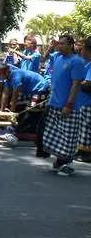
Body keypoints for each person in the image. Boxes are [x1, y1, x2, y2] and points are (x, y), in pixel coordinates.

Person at [42, 34, 85, 176]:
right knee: (55, 135)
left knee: (68, 136)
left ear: (71, 45)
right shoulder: (57, 58)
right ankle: (60, 160)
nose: (59, 45)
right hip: (54, 102)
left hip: (69, 106)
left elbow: (75, 85)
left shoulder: (76, 61)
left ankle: (70, 164)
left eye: (63, 43)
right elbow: (45, 59)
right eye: (58, 43)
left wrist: (68, 104)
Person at [76, 37, 91, 162]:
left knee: (86, 128)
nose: (81, 51)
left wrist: (75, 83)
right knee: (83, 127)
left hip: (88, 102)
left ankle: (87, 153)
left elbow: (88, 84)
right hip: (83, 101)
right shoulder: (86, 63)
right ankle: (81, 150)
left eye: (83, 48)